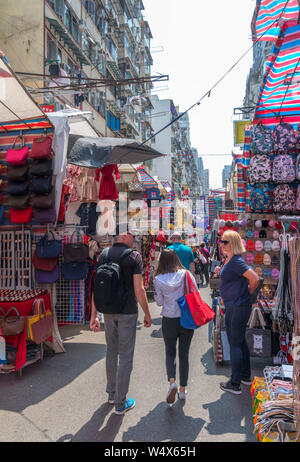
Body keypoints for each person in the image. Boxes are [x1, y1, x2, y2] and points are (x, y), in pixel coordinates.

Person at [90, 226, 152, 415]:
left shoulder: (104, 255)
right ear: (125, 236)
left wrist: (94, 315)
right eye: (134, 236)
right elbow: (139, 290)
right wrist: (147, 314)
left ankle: (111, 394)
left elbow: (96, 287)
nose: (135, 240)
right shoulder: (134, 257)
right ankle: (120, 401)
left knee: (111, 350)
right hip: (127, 312)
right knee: (125, 354)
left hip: (108, 311)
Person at [214, 230, 259, 395]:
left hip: (238, 305)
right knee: (239, 341)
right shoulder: (230, 260)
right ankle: (245, 376)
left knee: (235, 343)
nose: (221, 244)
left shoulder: (236, 261)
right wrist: (221, 271)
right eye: (221, 241)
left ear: (232, 243)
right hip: (236, 305)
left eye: (224, 242)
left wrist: (248, 295)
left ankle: (235, 383)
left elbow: (254, 278)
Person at [154, 249, 197, 404]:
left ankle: (172, 382)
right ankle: (182, 390)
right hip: (186, 319)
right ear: (176, 259)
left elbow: (159, 302)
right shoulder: (185, 274)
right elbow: (195, 292)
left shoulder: (158, 279)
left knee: (170, 352)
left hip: (169, 319)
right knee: (184, 354)